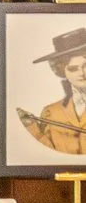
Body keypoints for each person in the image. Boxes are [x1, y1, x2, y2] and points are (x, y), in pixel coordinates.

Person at [20, 27, 86, 156]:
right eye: (73, 69)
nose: (82, 73)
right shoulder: (51, 113)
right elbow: (48, 155)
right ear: (62, 71)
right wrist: (31, 126)